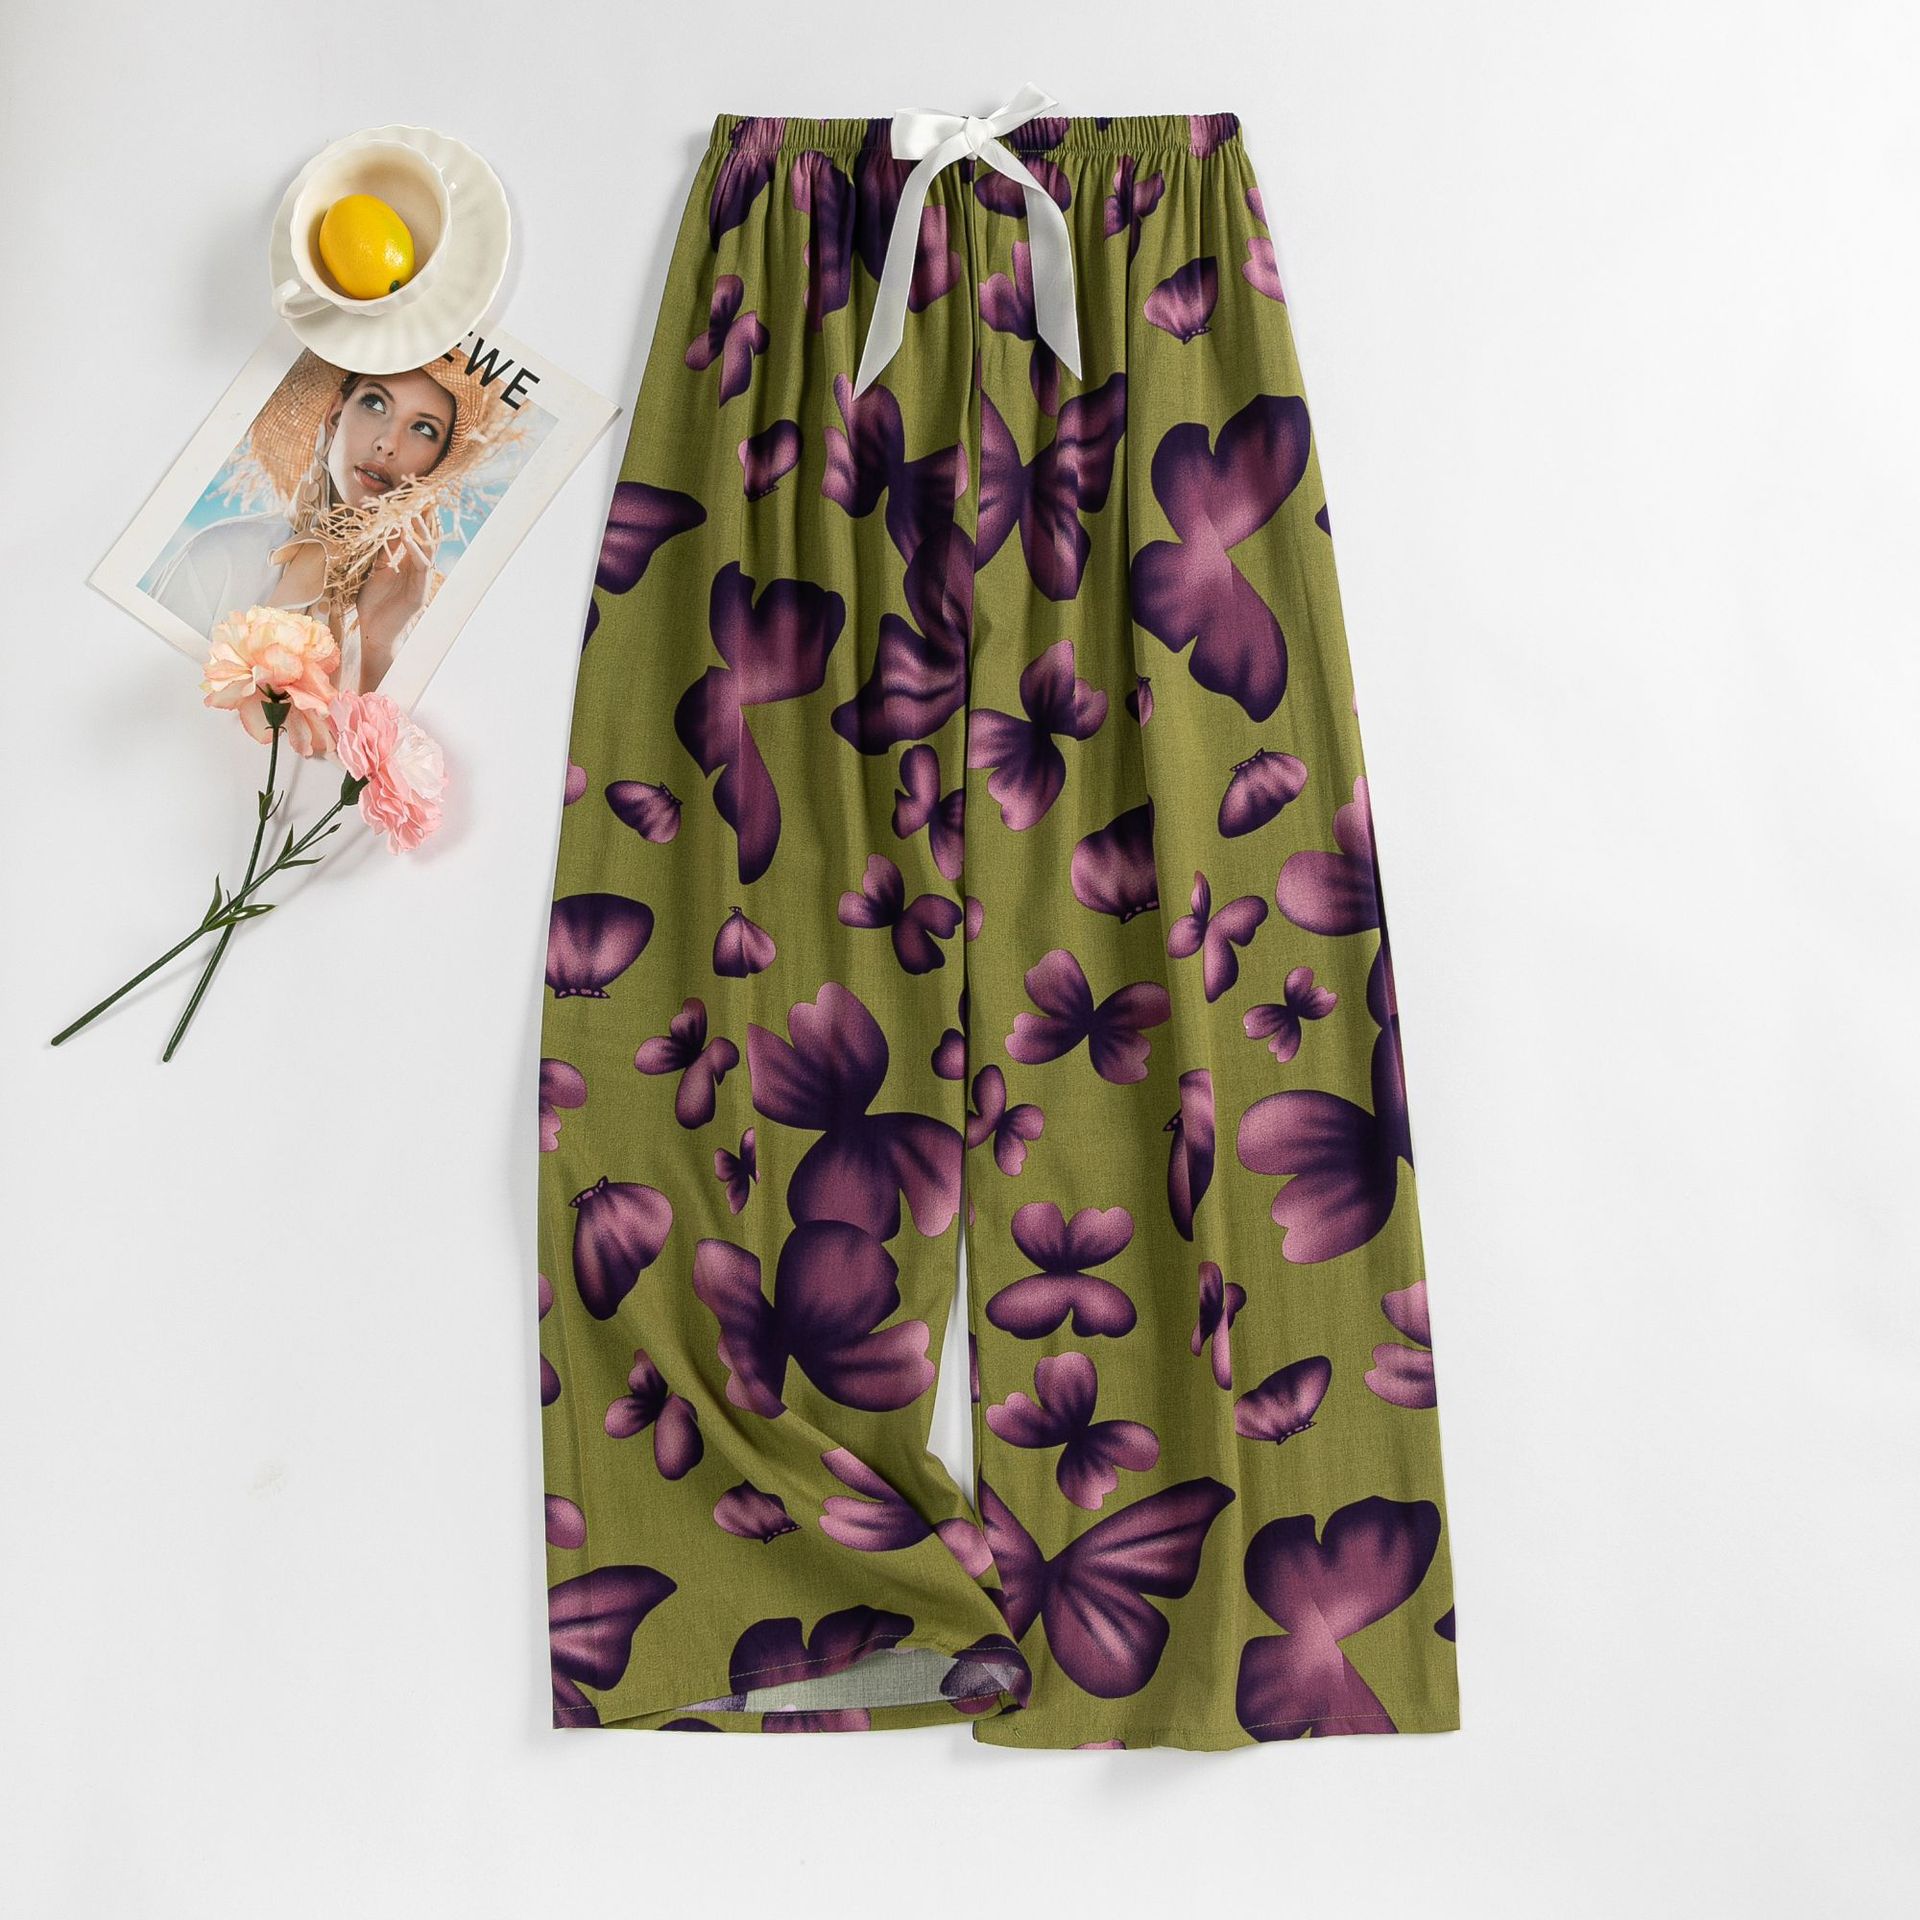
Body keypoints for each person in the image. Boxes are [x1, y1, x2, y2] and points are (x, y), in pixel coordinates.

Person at [149, 348, 517, 692]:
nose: (387, 443)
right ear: (335, 414)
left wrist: (378, 643)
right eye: (375, 403)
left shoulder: (422, 628)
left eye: (423, 429)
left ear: (436, 465)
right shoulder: (221, 556)